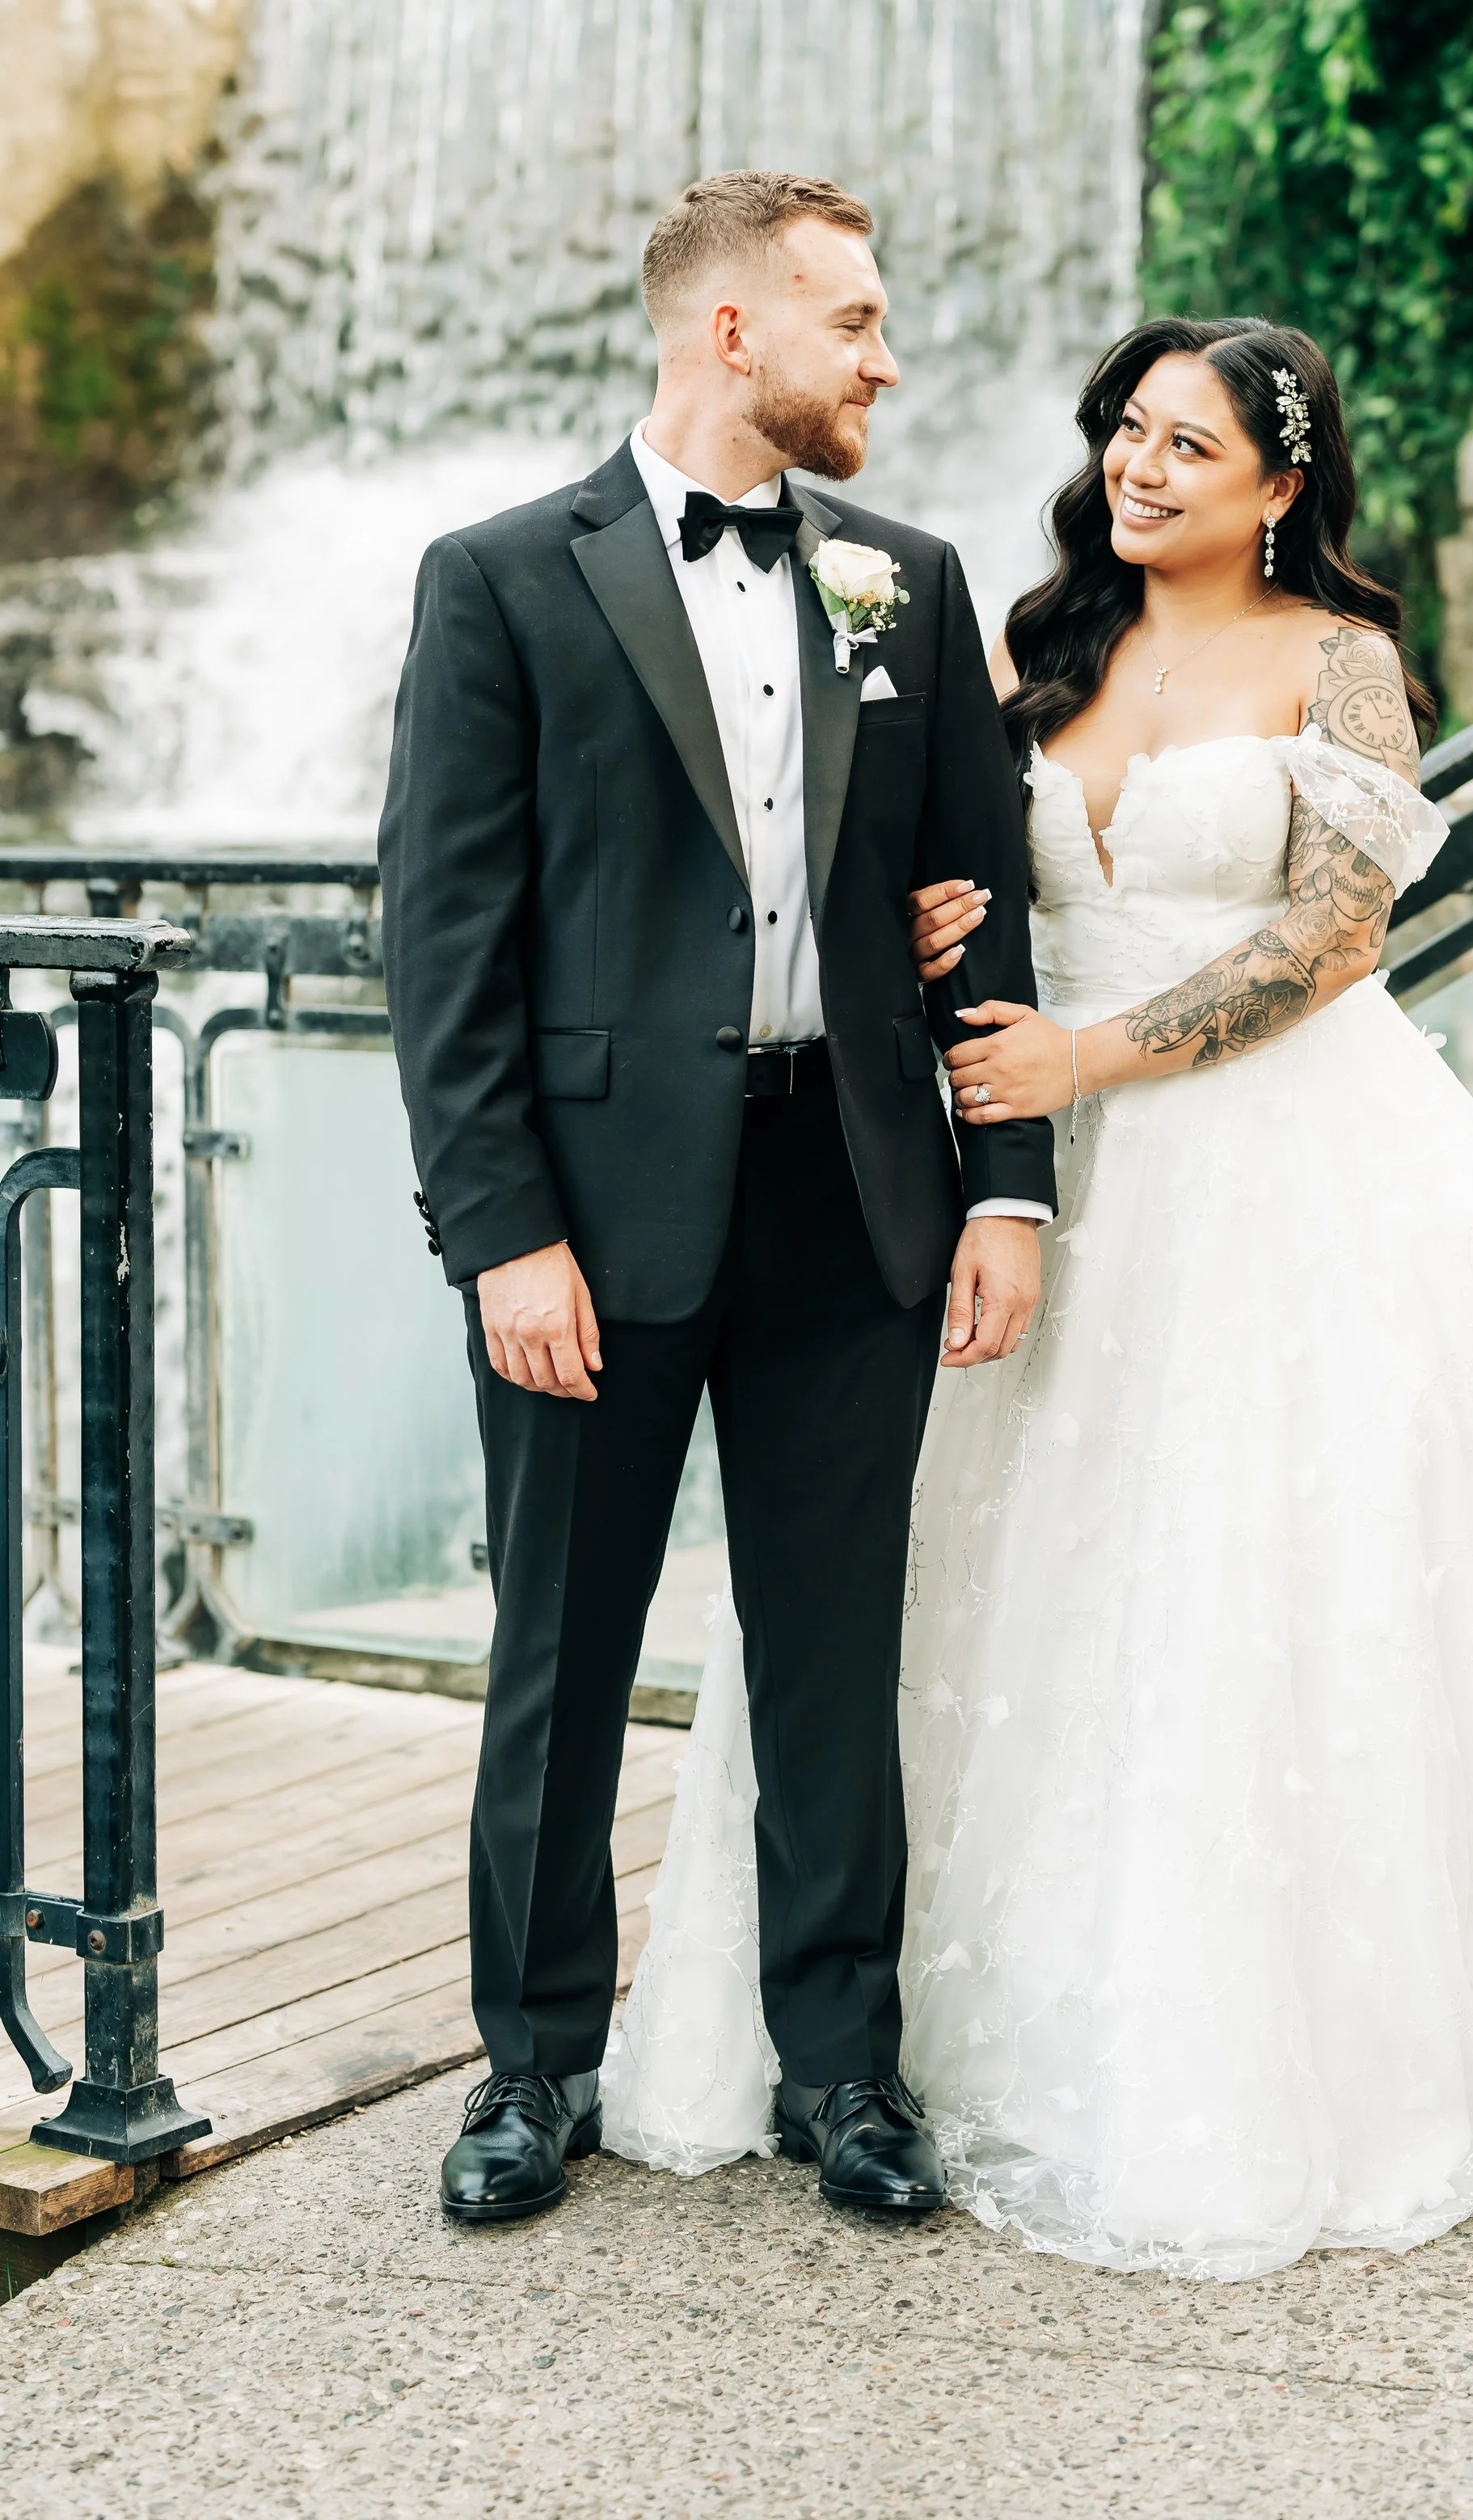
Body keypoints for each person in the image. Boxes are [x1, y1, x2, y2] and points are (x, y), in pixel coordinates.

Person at [602, 311, 1473, 2277]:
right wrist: (940, 921)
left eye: (1185, 443)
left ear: (1280, 484)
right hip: (1033, 1177)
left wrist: (1085, 1058)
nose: (1136, 465)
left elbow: (1334, 940)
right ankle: (870, 2029)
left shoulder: (1338, 662)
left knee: (1251, 1583)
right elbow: (938, 864)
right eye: (1124, 430)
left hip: (1277, 1164)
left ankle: (1274, 2051)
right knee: (995, 1575)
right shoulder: (1029, 647)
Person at [378, 170, 1054, 2227]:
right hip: (590, 1219)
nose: (886, 360)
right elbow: (444, 945)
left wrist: (1007, 1192)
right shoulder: (500, 580)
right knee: (560, 1656)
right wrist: (501, 1234)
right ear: (729, 330)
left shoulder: (905, 583)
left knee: (834, 1652)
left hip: (856, 1196)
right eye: (853, 320)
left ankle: (841, 2074)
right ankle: (530, 2067)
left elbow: (982, 912)